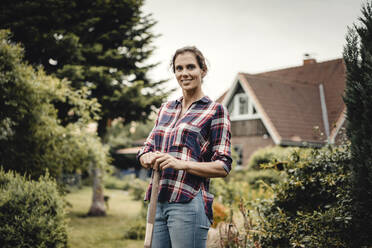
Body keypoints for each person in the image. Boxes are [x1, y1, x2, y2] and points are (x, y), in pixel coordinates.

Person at [137, 46, 232, 248]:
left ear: (202, 70)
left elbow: (222, 166)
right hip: (158, 199)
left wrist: (181, 164)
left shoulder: (215, 111)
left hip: (188, 201)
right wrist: (145, 157)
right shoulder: (166, 109)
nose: (184, 73)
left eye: (191, 67)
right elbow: (146, 148)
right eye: (179, 68)